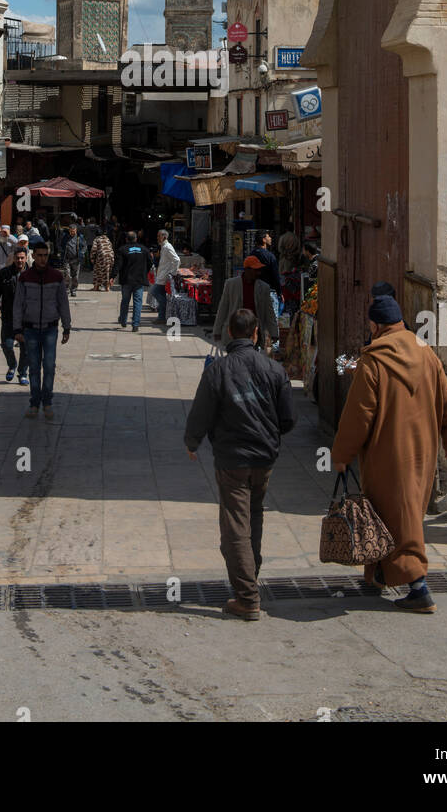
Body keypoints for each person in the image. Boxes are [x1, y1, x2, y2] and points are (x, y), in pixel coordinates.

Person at [331, 294, 447, 614]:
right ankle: (377, 574)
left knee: (399, 520)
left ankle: (419, 588)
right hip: (422, 452)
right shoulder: (426, 353)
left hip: (386, 454)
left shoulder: (373, 361)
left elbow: (358, 415)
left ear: (375, 326)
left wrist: (341, 454)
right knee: (398, 514)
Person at [184, 307, 295, 620]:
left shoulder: (218, 370)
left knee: (235, 523)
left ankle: (247, 597)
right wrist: (270, 433)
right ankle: (250, 579)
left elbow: (201, 412)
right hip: (264, 457)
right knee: (253, 516)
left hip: (233, 458)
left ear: (231, 333)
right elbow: (288, 418)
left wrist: (192, 442)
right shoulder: (274, 369)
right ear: (256, 333)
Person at [13, 238, 71, 420]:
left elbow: (63, 302)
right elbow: (18, 305)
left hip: (50, 328)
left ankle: (47, 402)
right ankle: (34, 402)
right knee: (34, 367)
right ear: (33, 256)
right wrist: (17, 329)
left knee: (49, 366)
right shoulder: (25, 277)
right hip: (30, 329)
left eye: (45, 256)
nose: (42, 259)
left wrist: (67, 326)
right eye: (39, 256)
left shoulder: (56, 276)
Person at [212, 256, 278, 350]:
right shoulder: (231, 284)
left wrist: (274, 332)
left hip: (253, 331)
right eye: (255, 270)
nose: (258, 273)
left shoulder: (264, 287)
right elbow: (223, 308)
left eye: (259, 270)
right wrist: (217, 330)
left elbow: (269, 312)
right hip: (236, 330)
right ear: (247, 270)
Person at [0, 245, 29, 384]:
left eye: (22, 258)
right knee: (6, 345)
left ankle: (23, 373)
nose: (19, 260)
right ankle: (12, 365)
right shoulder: (4, 273)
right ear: (13, 258)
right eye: (17, 258)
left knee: (26, 348)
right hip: (8, 316)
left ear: (26, 258)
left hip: (27, 319)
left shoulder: (33, 274)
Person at [110, 232, 154, 332]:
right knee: (138, 302)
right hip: (139, 280)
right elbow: (150, 262)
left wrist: (112, 276)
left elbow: (118, 265)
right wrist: (144, 272)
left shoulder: (122, 250)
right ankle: (135, 324)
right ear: (136, 239)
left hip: (126, 280)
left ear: (126, 239)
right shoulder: (144, 249)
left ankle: (123, 320)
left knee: (125, 301)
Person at [152, 230, 181, 326]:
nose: (157, 238)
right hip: (162, 274)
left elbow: (177, 260)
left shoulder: (167, 247)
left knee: (155, 292)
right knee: (161, 295)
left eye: (159, 236)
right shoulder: (164, 247)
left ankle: (162, 316)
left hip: (164, 276)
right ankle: (162, 317)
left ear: (164, 237)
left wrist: (172, 273)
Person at [60, 224, 83, 298]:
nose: (72, 233)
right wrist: (61, 251)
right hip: (67, 259)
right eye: (71, 231)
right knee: (67, 275)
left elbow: (84, 246)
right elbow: (60, 245)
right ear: (69, 230)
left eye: (74, 231)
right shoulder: (65, 237)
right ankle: (67, 289)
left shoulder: (80, 237)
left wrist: (82, 253)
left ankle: (74, 290)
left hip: (76, 259)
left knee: (75, 276)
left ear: (76, 230)